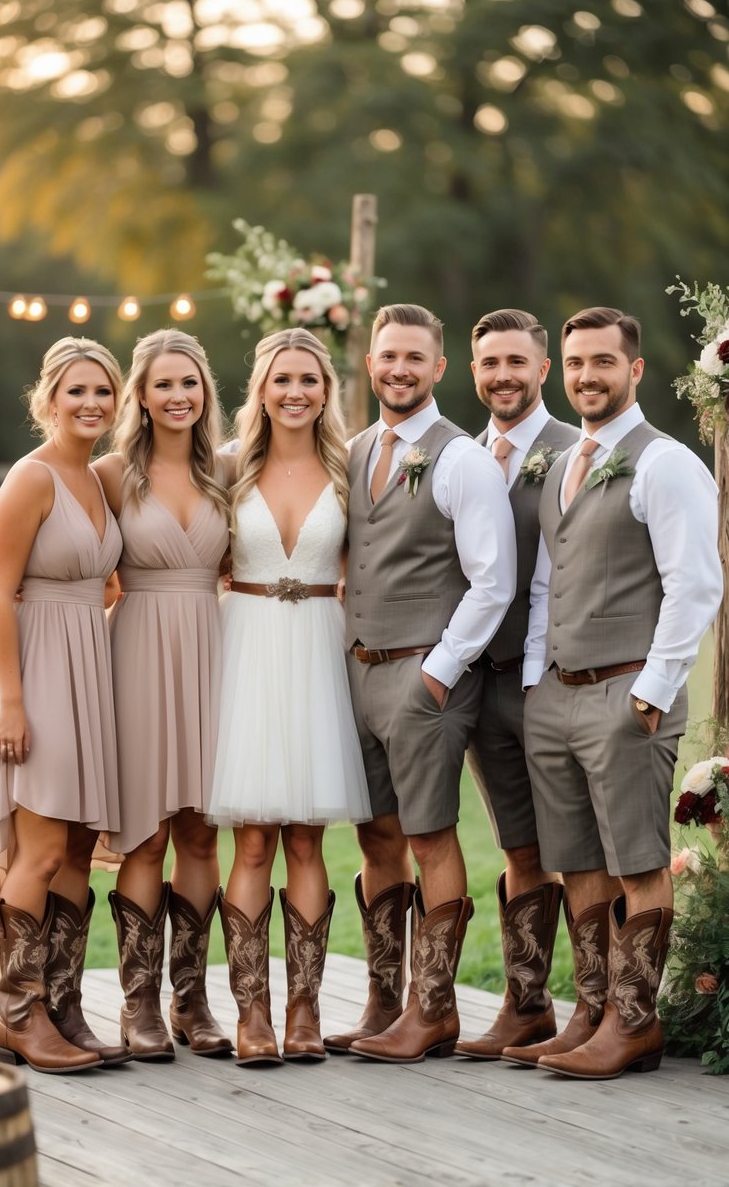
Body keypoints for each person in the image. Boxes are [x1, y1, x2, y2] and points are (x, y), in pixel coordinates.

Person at [510, 305, 722, 1079]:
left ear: (633, 370)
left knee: (636, 862)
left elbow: (694, 583)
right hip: (557, 695)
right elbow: (544, 583)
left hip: (626, 694)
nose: (585, 377)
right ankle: (591, 1011)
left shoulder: (665, 463)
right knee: (577, 862)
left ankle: (634, 1023)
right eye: (573, 364)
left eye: (602, 362)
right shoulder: (566, 461)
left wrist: (652, 690)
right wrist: (535, 681)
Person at [324, 303, 517, 1064]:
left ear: (438, 369)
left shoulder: (459, 458)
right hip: (357, 672)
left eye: (414, 357)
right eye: (386, 356)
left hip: (424, 678)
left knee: (428, 834)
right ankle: (382, 1000)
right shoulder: (358, 447)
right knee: (374, 835)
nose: (398, 368)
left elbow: (492, 581)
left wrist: (437, 675)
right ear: (369, 364)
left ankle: (431, 1009)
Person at [0, 337, 128, 1073]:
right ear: (47, 399)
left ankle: (63, 1006)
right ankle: (18, 1016)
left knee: (78, 844)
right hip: (36, 671)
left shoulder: (101, 480)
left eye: (103, 392)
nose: (90, 404)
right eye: (76, 391)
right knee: (41, 848)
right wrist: (12, 702)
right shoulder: (32, 477)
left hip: (87, 667)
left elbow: (108, 581)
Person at [207, 327, 371, 1065]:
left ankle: (304, 1010)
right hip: (243, 649)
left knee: (306, 836)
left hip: (315, 652)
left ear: (326, 390)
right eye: (281, 379)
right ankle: (252, 1015)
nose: (295, 391)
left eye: (309, 378)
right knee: (250, 838)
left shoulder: (350, 470)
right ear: (261, 389)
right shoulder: (228, 469)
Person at [94, 328, 233, 1062]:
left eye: (190, 383)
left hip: (211, 651)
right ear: (140, 397)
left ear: (205, 392)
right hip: (137, 651)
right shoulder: (113, 474)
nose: (178, 396)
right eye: (162, 384)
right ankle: (137, 1003)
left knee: (201, 831)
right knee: (146, 831)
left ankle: (193, 998)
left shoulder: (227, 471)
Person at [455, 309, 579, 1060]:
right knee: (519, 848)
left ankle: (604, 1012)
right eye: (488, 362)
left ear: (542, 370)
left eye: (515, 362)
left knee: (584, 848)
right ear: (473, 372)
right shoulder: (459, 456)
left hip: (556, 683)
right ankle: (525, 1006)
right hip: (481, 684)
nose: (501, 375)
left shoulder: (577, 452)